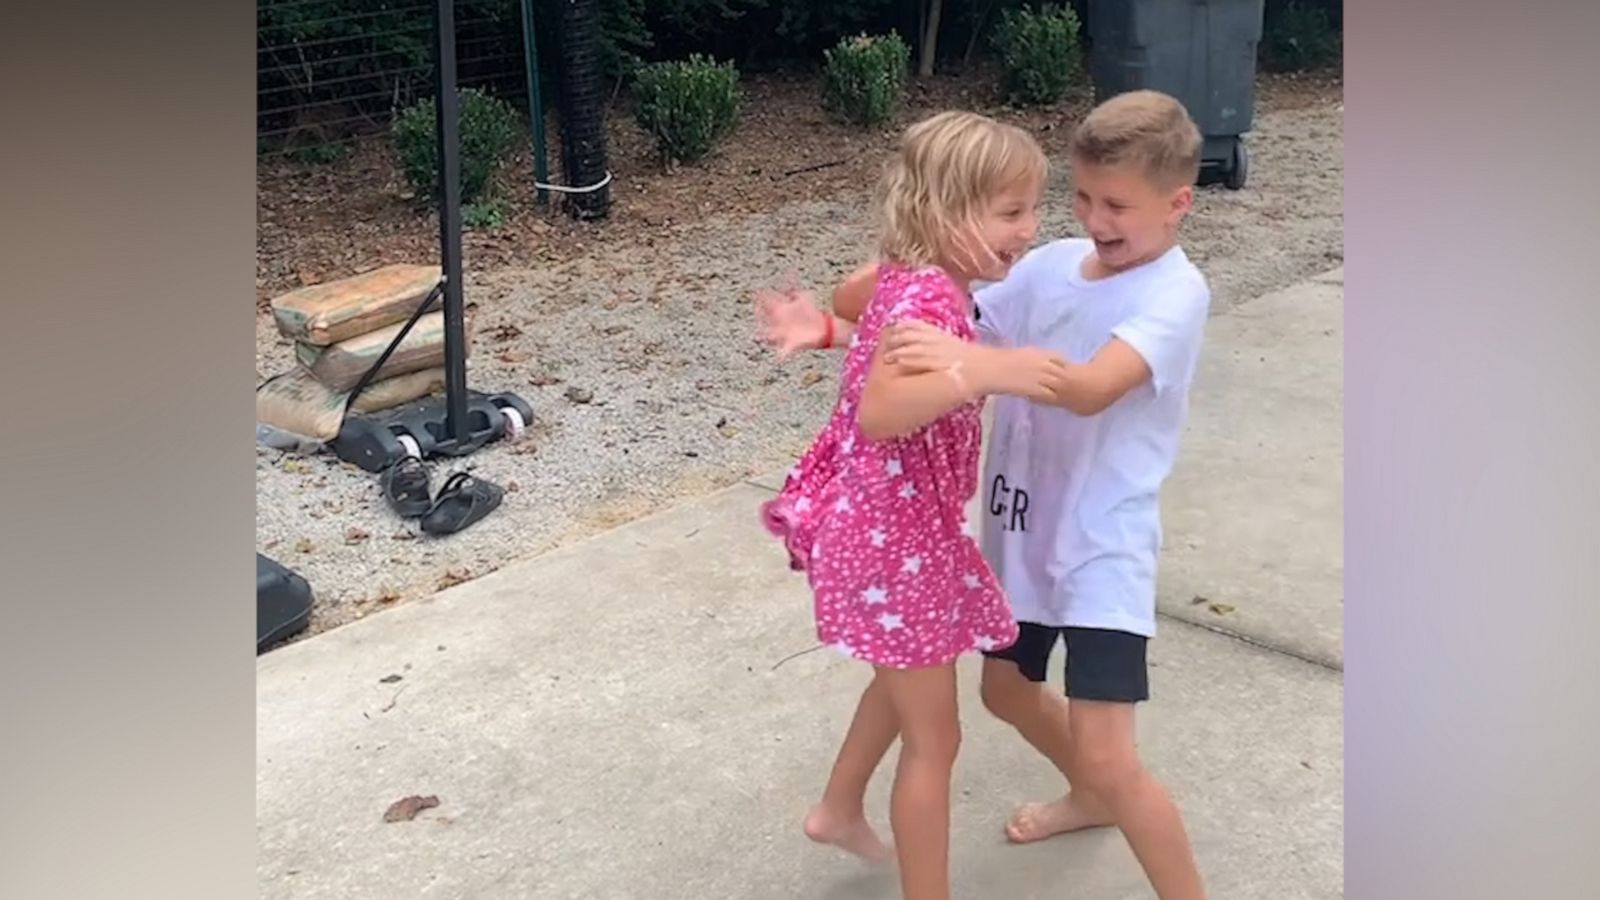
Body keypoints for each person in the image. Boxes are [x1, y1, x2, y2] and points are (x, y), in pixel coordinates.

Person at [759, 89, 1214, 900]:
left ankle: (1143, 839)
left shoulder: (1174, 295)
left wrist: (978, 358)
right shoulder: (1038, 269)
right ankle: (1087, 795)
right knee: (1003, 689)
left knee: (1109, 750)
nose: (1085, 218)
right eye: (1080, 196)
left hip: (1101, 545)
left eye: (1116, 204)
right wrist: (896, 270)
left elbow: (1079, 389)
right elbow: (896, 331)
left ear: (1178, 203)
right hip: (1013, 533)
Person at [756, 109, 1064, 900]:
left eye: (1031, 209)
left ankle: (836, 807)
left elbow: (856, 296)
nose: (1029, 230)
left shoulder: (913, 275)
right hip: (895, 542)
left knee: (903, 678)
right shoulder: (931, 298)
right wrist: (985, 371)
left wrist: (826, 326)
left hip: (885, 528)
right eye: (1009, 212)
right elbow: (883, 413)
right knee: (938, 740)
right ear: (944, 213)